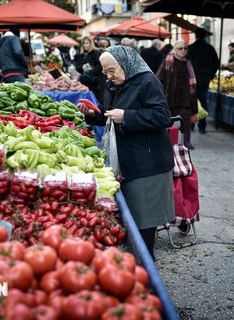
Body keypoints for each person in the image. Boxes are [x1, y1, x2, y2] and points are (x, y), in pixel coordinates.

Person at [77, 46, 175, 261]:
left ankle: (146, 265)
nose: (109, 76)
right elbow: (109, 112)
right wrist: (94, 114)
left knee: (145, 220)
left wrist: (128, 117)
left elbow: (162, 116)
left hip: (148, 163)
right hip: (129, 159)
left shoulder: (148, 81)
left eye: (112, 70)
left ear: (126, 63)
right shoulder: (114, 84)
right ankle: (138, 261)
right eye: (106, 72)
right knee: (134, 217)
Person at [156, 40, 197, 150]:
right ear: (175, 49)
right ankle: (162, 140)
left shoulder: (188, 63)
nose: (183, 51)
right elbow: (159, 78)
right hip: (170, 98)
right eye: (180, 48)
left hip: (185, 98)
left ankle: (186, 141)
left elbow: (192, 82)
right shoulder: (168, 60)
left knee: (186, 119)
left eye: (185, 48)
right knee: (167, 121)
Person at [187, 28, 219, 134]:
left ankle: (191, 124)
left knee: (192, 102)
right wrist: (210, 75)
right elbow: (216, 64)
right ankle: (202, 126)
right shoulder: (210, 48)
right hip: (205, 79)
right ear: (205, 36)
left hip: (192, 79)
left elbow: (185, 64)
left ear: (196, 35)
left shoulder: (190, 48)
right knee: (203, 102)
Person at [75, 36, 102, 101]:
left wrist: (90, 69)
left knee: (93, 101)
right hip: (83, 83)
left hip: (93, 82)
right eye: (84, 43)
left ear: (91, 43)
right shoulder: (81, 54)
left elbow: (100, 67)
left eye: (87, 43)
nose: (85, 45)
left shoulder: (96, 53)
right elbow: (77, 67)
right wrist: (82, 67)